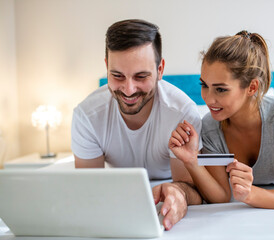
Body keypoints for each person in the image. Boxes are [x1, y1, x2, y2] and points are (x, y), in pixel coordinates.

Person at [71, 19, 203, 230]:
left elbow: (190, 187)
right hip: (117, 198)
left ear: (160, 69)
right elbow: (89, 189)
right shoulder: (87, 116)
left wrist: (179, 194)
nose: (129, 89)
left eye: (141, 76)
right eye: (117, 76)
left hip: (166, 194)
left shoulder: (182, 114)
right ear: (106, 66)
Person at [169, 30, 274, 209]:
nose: (208, 98)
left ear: (252, 87)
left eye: (221, 89)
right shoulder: (209, 127)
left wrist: (250, 194)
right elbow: (220, 197)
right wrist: (191, 161)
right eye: (204, 85)